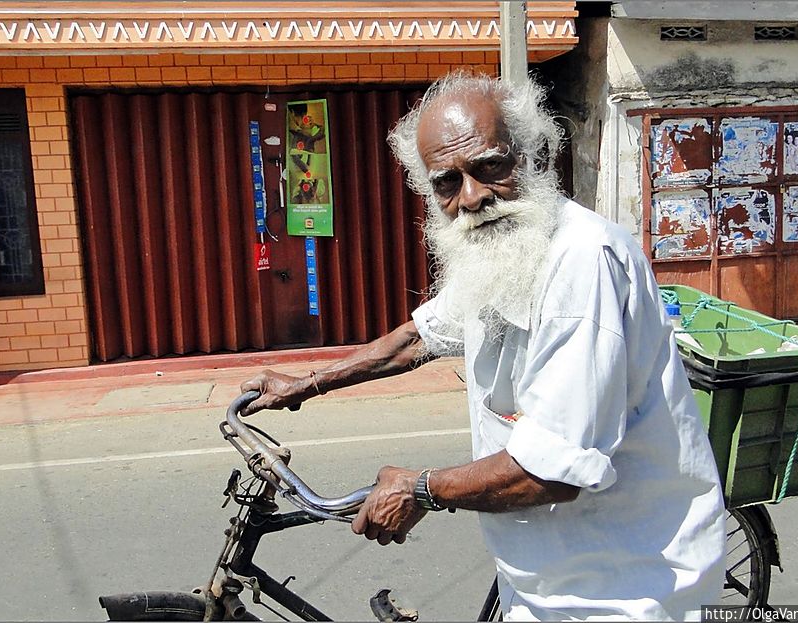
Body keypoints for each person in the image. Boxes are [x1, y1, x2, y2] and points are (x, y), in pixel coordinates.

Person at [241, 71, 726, 621]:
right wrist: (306, 383)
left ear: (533, 157)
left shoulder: (583, 262)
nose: (472, 198)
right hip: (544, 571)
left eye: (491, 167)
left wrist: (419, 490)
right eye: (447, 182)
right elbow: (419, 336)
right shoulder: (500, 255)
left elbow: (552, 469)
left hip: (622, 584)